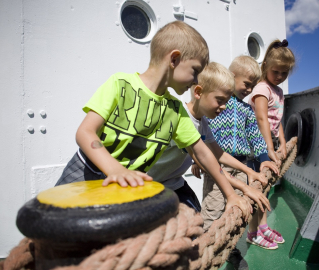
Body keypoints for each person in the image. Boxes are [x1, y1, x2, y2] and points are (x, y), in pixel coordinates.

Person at [55, 21, 251, 221]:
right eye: (195, 71)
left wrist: (231, 195)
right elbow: (85, 132)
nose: (195, 81)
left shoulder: (175, 110)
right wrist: (114, 169)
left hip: (123, 186)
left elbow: (204, 153)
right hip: (85, 172)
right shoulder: (120, 85)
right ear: (174, 59)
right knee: (54, 229)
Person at [147, 62, 271, 217]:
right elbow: (208, 163)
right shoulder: (182, 119)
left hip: (172, 182)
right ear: (198, 93)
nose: (224, 107)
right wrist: (244, 189)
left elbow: (219, 154)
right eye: (220, 100)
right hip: (151, 184)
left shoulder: (203, 122)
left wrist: (248, 171)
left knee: (196, 221)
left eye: (226, 101)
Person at [197, 55, 280, 251]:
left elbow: (255, 135)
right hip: (218, 165)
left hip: (241, 165)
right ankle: (206, 247)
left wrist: (264, 159)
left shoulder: (246, 109)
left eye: (253, 86)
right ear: (232, 76)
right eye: (247, 84)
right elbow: (202, 140)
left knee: (238, 208)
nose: (250, 90)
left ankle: (229, 247)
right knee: (214, 207)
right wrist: (196, 160)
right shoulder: (215, 106)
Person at [247, 39, 296, 245]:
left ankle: (263, 228)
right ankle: (252, 233)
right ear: (265, 66)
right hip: (257, 145)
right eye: (276, 71)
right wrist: (268, 148)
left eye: (285, 73)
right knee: (258, 187)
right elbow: (262, 119)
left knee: (266, 188)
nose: (280, 77)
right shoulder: (262, 89)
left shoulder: (278, 91)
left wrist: (282, 142)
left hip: (270, 143)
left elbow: (278, 120)